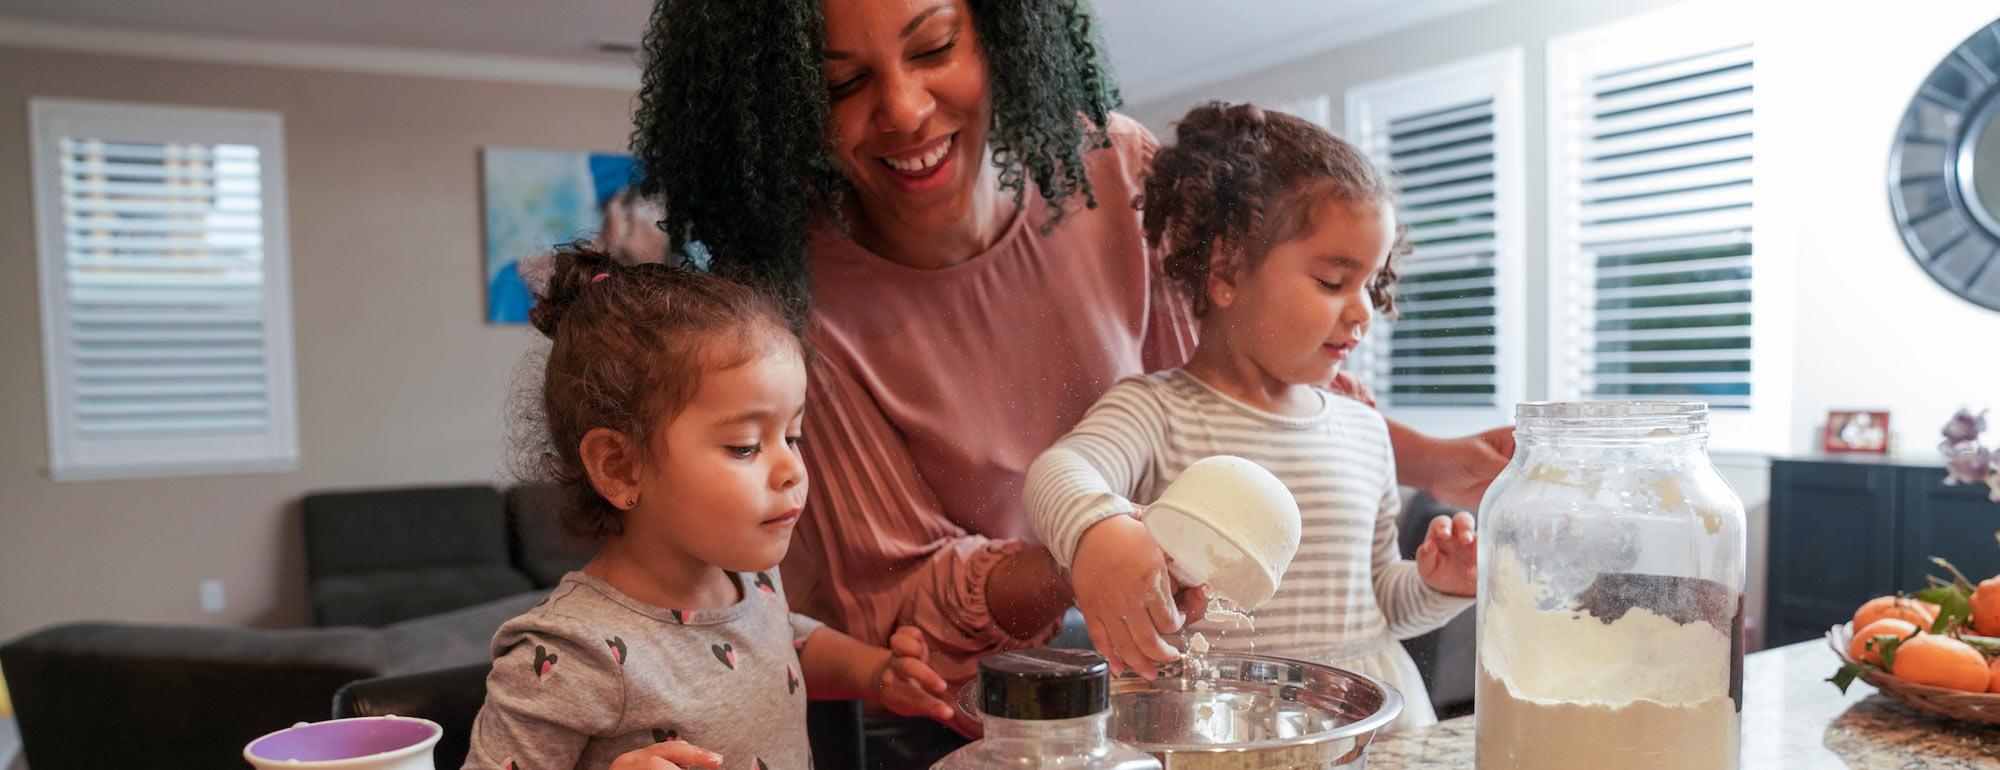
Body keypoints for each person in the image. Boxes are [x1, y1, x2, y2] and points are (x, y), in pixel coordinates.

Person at [627, 0, 1513, 714]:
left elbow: (1241, 378)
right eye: (843, 83)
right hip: (1001, 714)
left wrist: (1433, 461)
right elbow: (889, 601)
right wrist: (1086, 548)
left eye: (934, 46)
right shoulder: (794, 306)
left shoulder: (1113, 171)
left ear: (1006, 32)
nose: (901, 109)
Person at [1024, 103, 1476, 731]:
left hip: (1369, 727)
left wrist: (1439, 587)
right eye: (1331, 281)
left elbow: (1378, 604)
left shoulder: (1362, 428)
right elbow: (1058, 471)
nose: (1364, 311)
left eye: (1371, 284)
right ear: (1226, 269)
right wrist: (1099, 530)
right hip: (1220, 732)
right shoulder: (1157, 411)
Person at [462, 244, 954, 770]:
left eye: (793, 436)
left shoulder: (756, 581)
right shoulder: (570, 653)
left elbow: (783, 641)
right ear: (619, 467)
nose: (792, 469)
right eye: (745, 445)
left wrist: (873, 673)